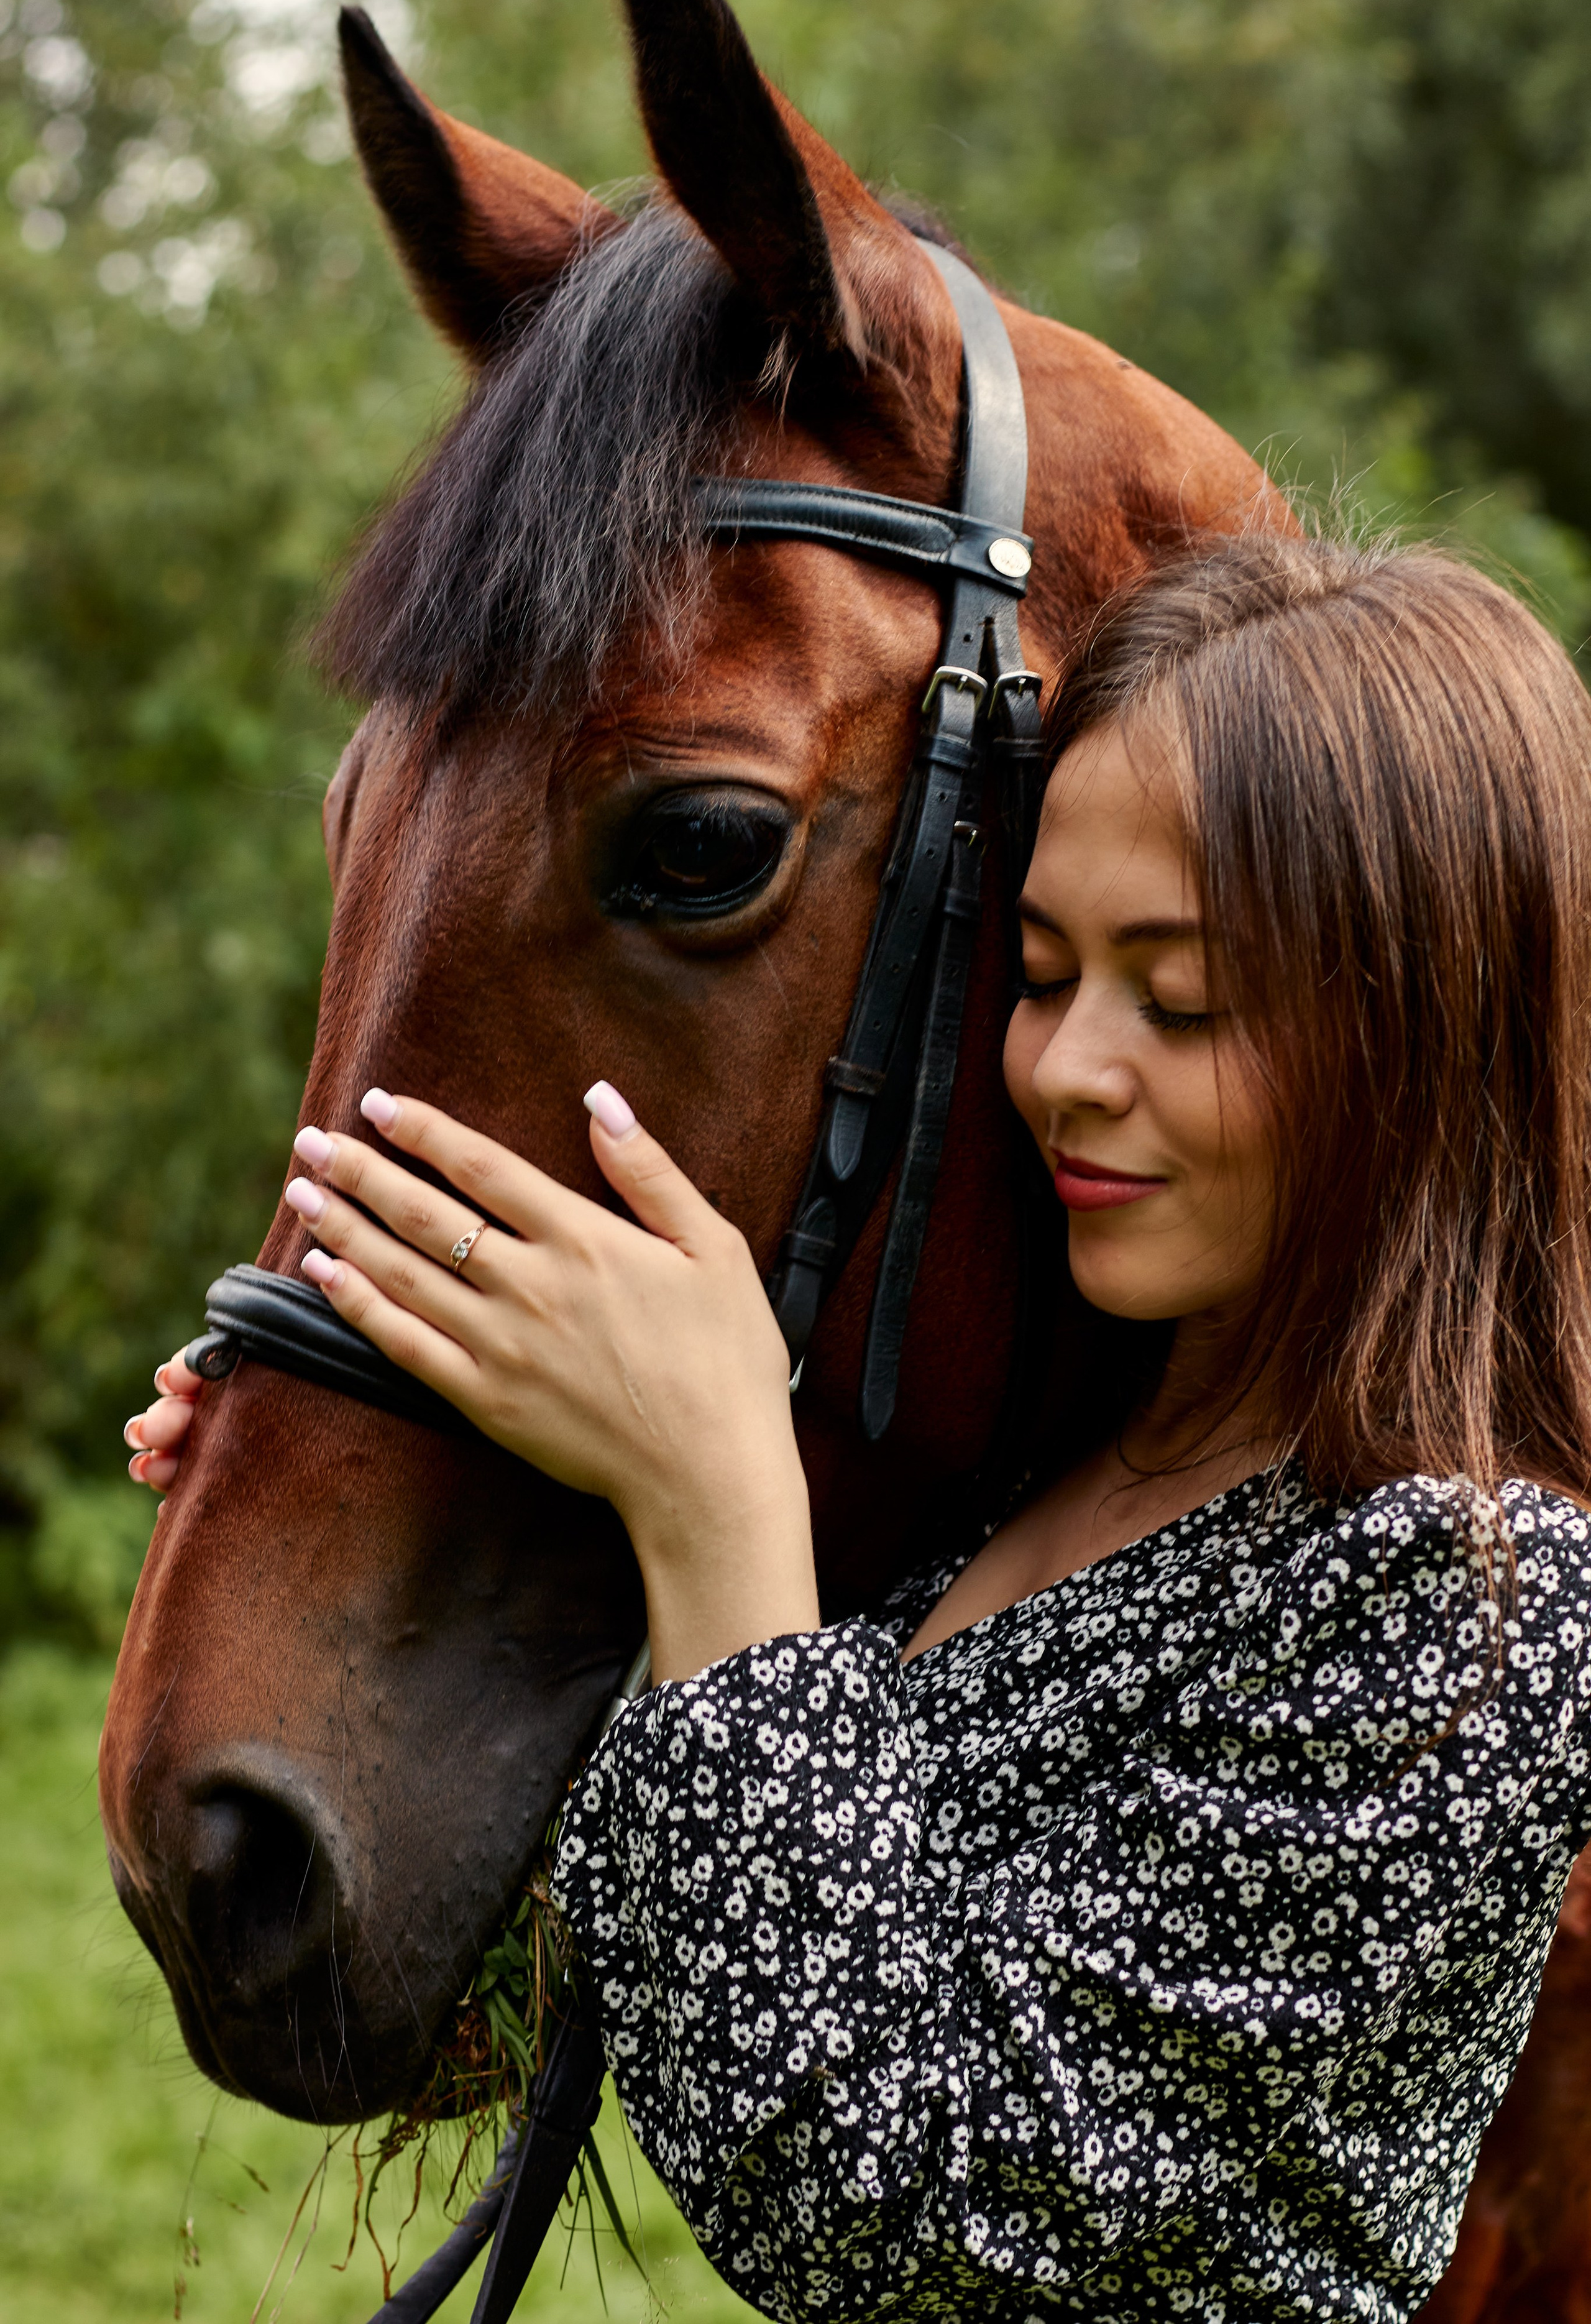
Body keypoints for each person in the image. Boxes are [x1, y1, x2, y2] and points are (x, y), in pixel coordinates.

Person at [127, 531, 1591, 2323]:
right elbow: (698, 1925)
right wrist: (380, 1465)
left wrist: (721, 1498)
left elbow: (917, 2217)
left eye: (1182, 998)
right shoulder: (1079, 1470)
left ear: (1430, 1033)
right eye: (1045, 976)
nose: (1066, 1070)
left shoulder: (1472, 1604)